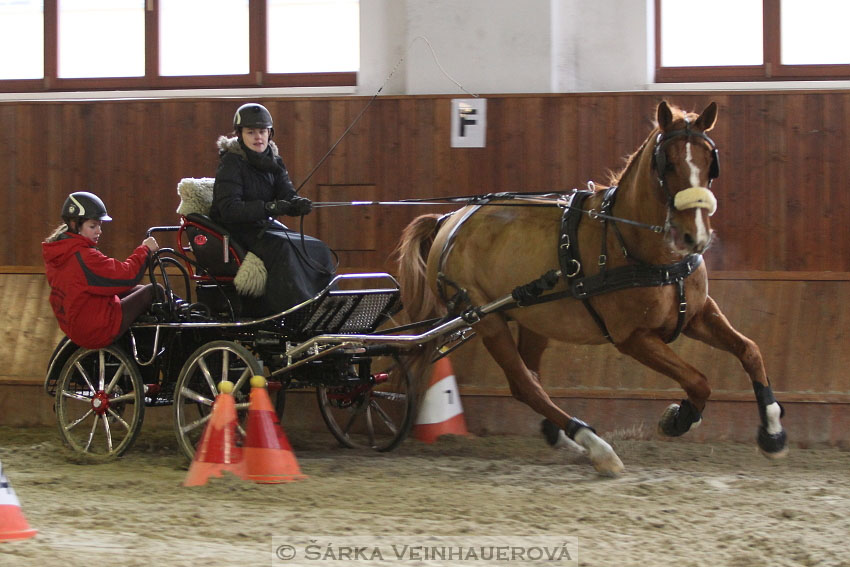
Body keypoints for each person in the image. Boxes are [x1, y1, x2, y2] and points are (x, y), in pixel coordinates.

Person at [210, 102, 336, 314]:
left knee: (317, 247)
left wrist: (296, 203)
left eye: (262, 131)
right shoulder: (231, 163)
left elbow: (286, 192)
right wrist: (269, 207)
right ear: (241, 135)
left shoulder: (274, 161)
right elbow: (229, 209)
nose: (258, 137)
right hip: (237, 232)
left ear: (270, 134)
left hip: (264, 228)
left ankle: (327, 309)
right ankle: (296, 312)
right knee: (285, 249)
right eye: (251, 132)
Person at [43, 191, 160, 349]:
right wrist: (145, 250)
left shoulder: (60, 251)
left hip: (78, 322)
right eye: (93, 226)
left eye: (99, 225)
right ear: (74, 224)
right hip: (96, 329)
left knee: (138, 289)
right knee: (154, 291)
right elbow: (127, 275)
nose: (99, 231)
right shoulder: (83, 257)